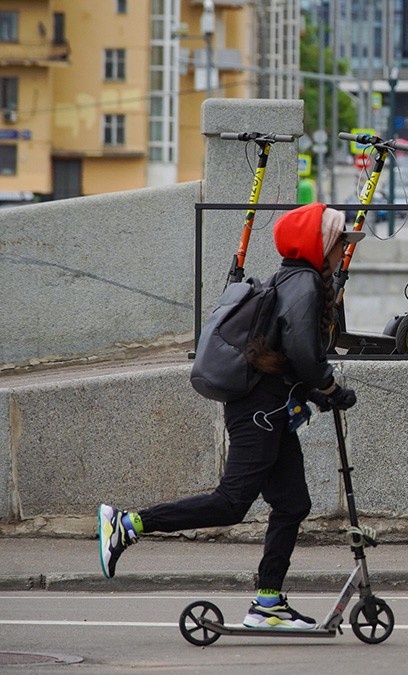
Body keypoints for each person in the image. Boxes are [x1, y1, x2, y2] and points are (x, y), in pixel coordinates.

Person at [98, 202, 363, 630]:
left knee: (293, 503)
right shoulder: (305, 284)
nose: (343, 254)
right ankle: (128, 523)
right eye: (339, 245)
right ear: (321, 244)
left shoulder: (292, 280)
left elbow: (286, 356)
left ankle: (268, 604)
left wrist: (318, 392)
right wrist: (329, 387)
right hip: (261, 413)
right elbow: (302, 352)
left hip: (270, 410)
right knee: (231, 503)